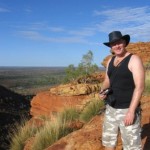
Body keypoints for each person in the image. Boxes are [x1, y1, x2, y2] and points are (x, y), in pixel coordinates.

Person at [99, 31, 145, 150]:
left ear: (124, 42)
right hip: (111, 108)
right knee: (109, 143)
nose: (117, 46)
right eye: (113, 44)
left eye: (119, 42)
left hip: (127, 109)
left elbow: (139, 87)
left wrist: (131, 111)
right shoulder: (110, 61)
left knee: (131, 147)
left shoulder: (134, 60)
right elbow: (107, 80)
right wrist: (102, 90)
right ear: (111, 47)